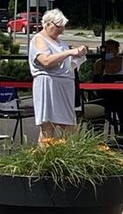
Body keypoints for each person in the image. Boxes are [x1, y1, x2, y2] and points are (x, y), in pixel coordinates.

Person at [28, 8, 87, 139]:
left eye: (63, 27)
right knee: (48, 125)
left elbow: (66, 62)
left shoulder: (60, 41)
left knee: (70, 126)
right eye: (58, 26)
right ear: (47, 24)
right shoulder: (39, 39)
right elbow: (46, 61)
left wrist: (77, 55)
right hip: (48, 84)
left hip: (65, 85)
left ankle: (69, 155)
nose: (61, 30)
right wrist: (69, 53)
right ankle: (44, 155)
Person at [93, 39, 123, 149]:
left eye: (110, 49)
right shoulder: (99, 63)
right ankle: (96, 140)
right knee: (96, 111)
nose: (108, 52)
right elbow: (95, 81)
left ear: (117, 50)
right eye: (106, 50)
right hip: (106, 96)